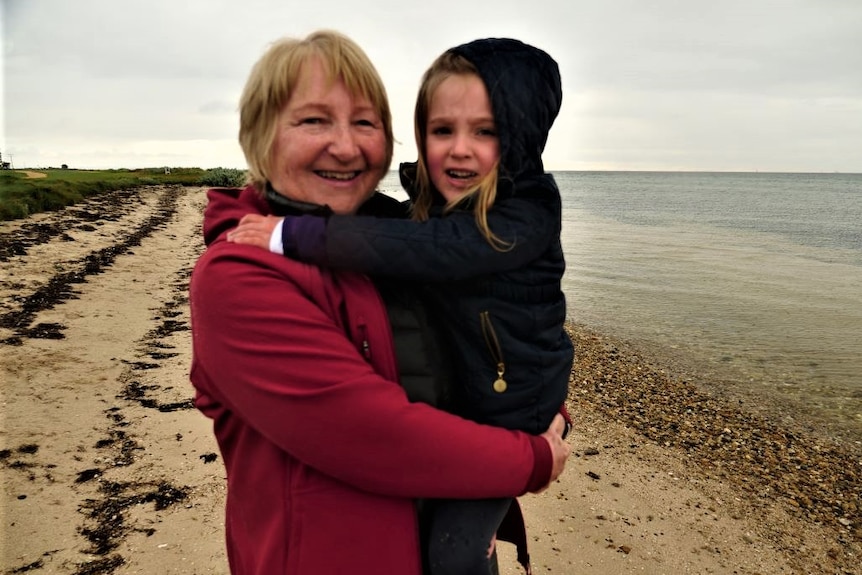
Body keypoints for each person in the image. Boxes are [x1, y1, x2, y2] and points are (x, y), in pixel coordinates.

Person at [188, 30, 570, 575]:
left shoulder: (396, 238)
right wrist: (530, 458)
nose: (345, 146)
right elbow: (374, 435)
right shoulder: (238, 276)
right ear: (259, 135)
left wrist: (537, 392)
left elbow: (484, 331)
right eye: (313, 120)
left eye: (364, 122)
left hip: (441, 535)